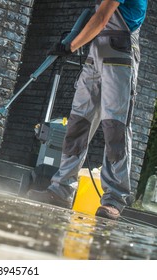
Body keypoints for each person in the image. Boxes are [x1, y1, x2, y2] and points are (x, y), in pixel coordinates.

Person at [27, 0, 148, 220]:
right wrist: (76, 38)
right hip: (97, 51)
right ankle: (61, 190)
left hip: (120, 52)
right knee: (78, 123)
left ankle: (114, 199)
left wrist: (70, 46)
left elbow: (102, 19)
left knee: (115, 126)